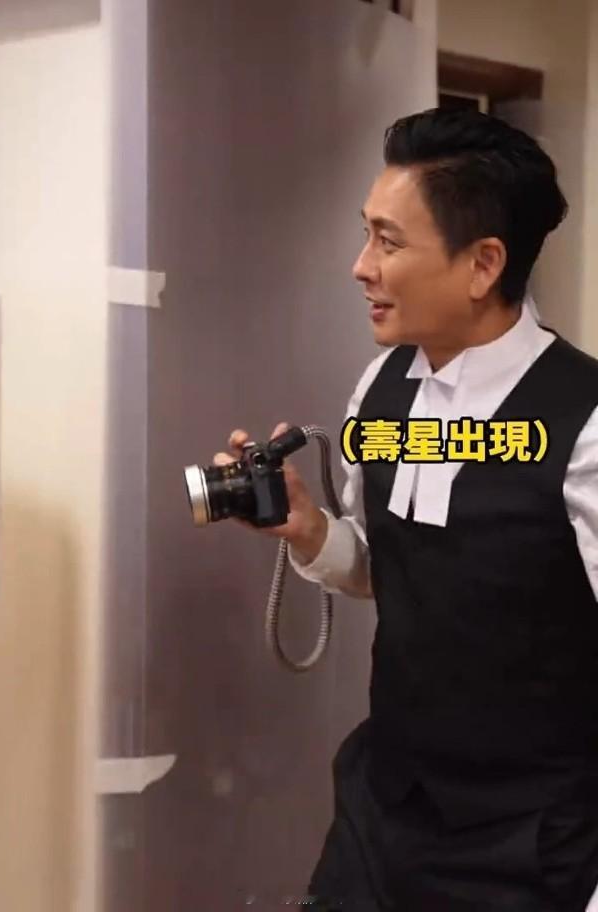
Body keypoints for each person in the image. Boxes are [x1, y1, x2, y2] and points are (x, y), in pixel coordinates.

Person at [213, 107, 598, 911]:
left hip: (531, 840)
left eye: (388, 242)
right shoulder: (382, 390)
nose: (361, 267)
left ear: (483, 264)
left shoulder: (583, 419)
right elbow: (393, 567)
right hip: (382, 806)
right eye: (367, 235)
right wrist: (310, 530)